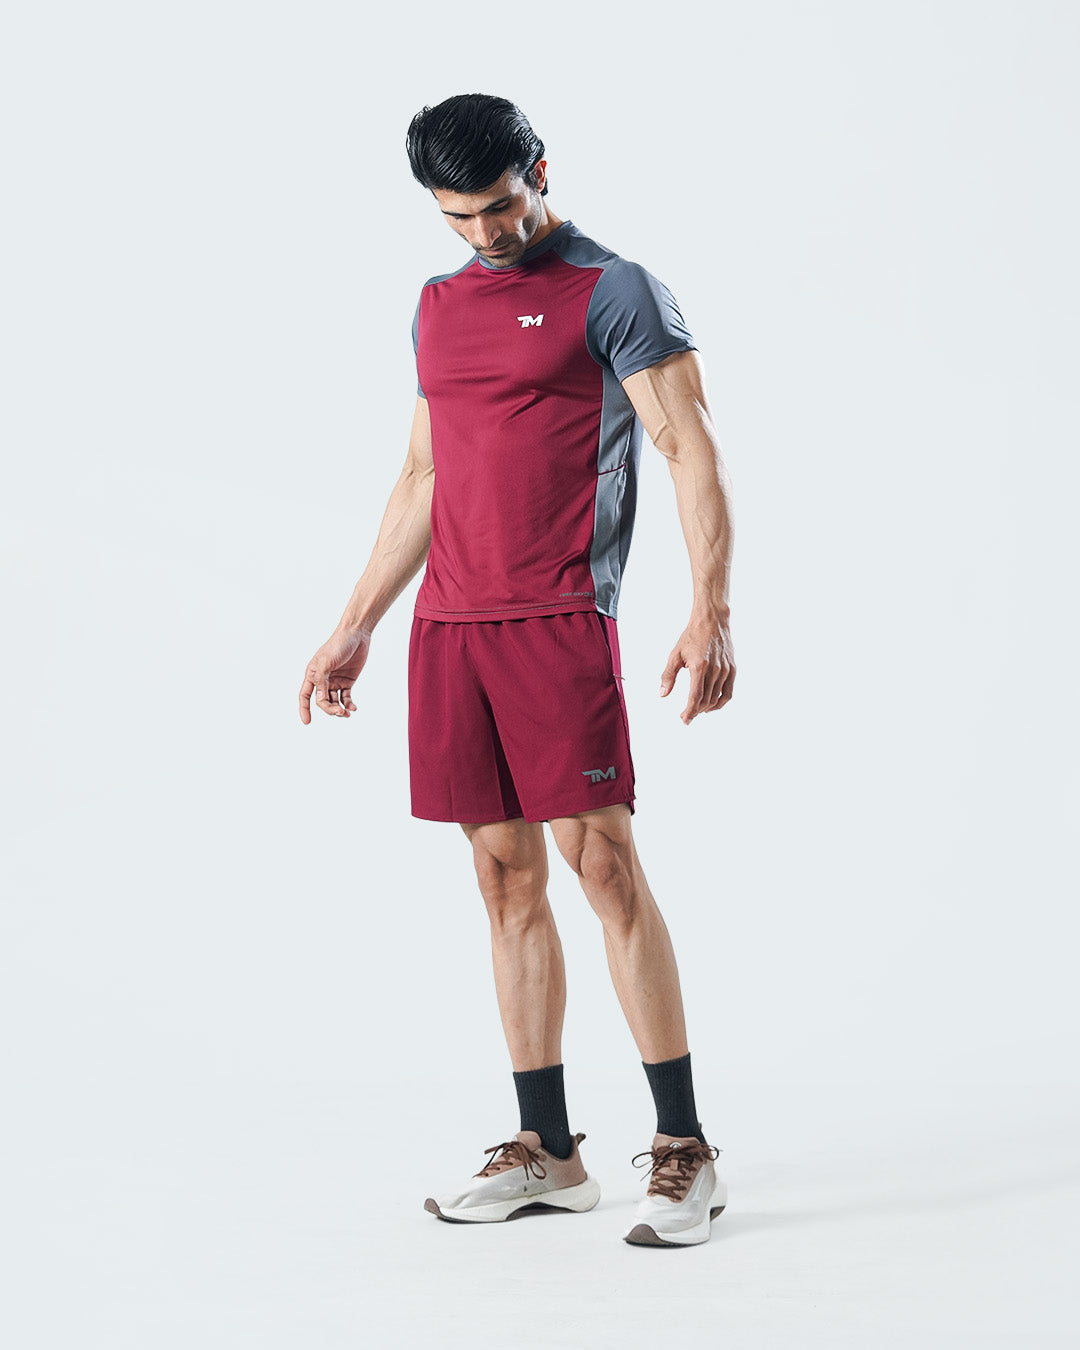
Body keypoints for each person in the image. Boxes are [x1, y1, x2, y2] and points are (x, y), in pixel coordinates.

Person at [299, 93, 736, 1247]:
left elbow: (689, 447)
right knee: (502, 881)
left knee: (603, 866)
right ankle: (548, 1150)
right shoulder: (438, 305)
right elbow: (422, 476)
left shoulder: (615, 289)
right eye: (459, 216)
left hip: (557, 616)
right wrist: (356, 622)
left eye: (499, 205)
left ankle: (684, 1148)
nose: (485, 232)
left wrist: (711, 610)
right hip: (452, 622)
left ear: (540, 168)